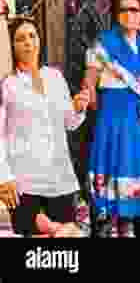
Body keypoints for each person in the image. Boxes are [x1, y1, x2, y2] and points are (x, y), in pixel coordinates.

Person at [85, 0, 140, 237]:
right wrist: (90, 103)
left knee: (135, 185)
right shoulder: (102, 44)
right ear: (117, 14)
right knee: (115, 179)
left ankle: (129, 229)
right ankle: (112, 229)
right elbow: (89, 82)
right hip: (114, 117)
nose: (130, 14)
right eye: (124, 9)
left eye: (134, 10)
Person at [0, 17, 90, 236]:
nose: (28, 43)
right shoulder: (7, 83)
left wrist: (78, 108)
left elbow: (69, 122)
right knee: (34, 234)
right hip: (23, 177)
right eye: (20, 39)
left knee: (59, 247)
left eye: (32, 36)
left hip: (59, 176)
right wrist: (3, 176)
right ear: (11, 45)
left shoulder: (55, 77)